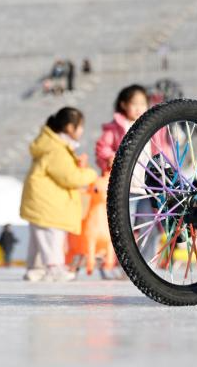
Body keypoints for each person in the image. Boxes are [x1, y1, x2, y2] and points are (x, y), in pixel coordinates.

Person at [19, 107, 96, 282]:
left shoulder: (51, 145)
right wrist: (90, 173)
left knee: (38, 241)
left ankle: (35, 269)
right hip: (48, 204)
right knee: (51, 236)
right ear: (70, 127)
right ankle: (54, 268)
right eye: (80, 126)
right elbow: (70, 177)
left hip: (40, 201)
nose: (82, 130)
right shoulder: (56, 149)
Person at [94, 84, 168, 174]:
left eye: (142, 104)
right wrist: (111, 158)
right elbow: (102, 147)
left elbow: (163, 146)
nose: (138, 108)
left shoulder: (151, 125)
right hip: (123, 178)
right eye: (134, 104)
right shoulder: (116, 127)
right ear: (124, 105)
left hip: (149, 176)